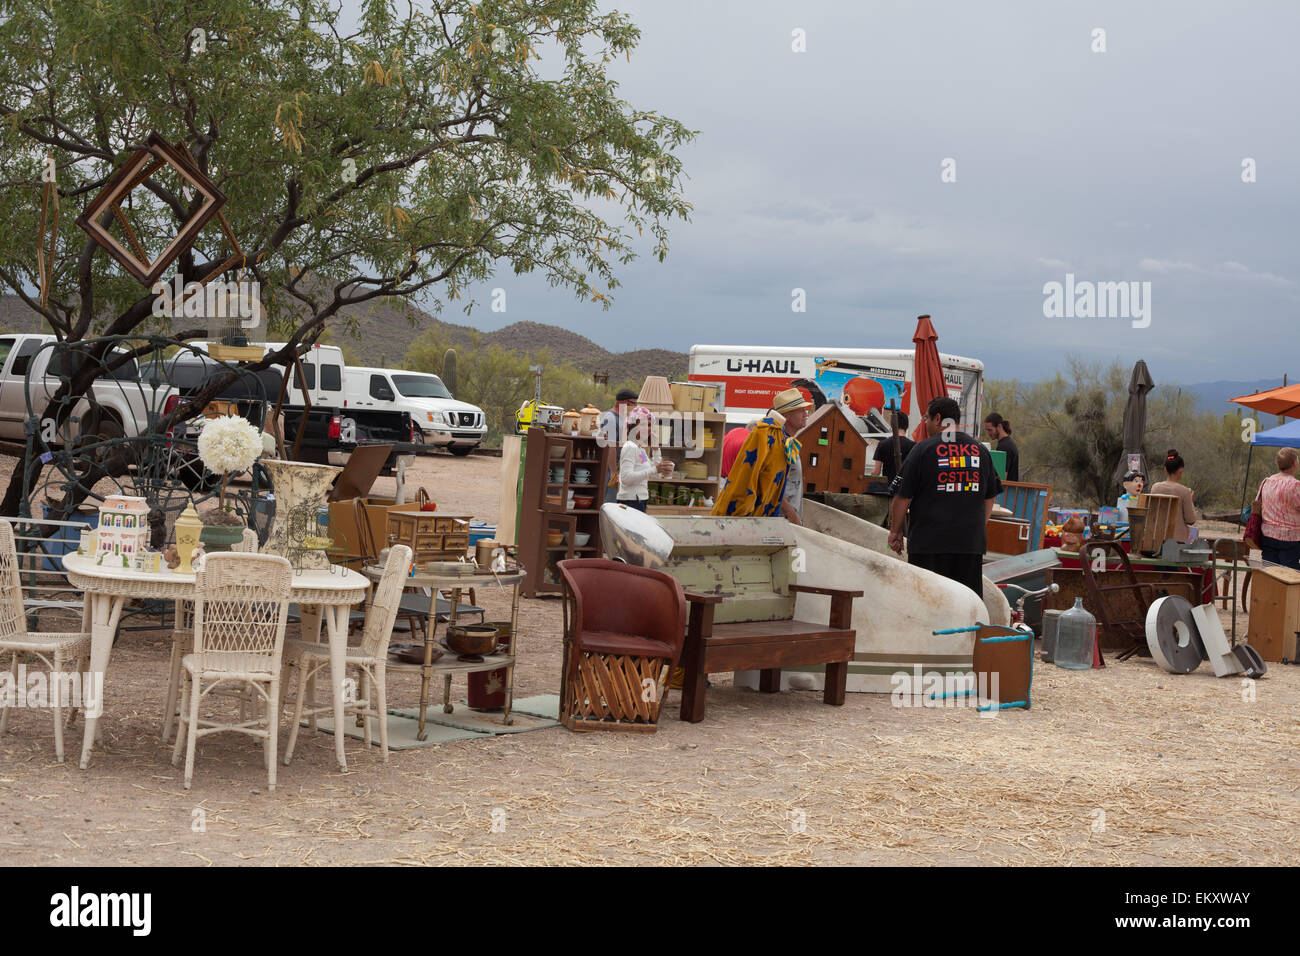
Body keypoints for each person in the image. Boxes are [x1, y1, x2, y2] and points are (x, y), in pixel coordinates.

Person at [889, 397, 998, 596]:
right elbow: (990, 497)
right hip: (969, 546)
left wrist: (895, 532)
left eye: (926, 418)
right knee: (966, 604)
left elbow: (902, 497)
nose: (926, 423)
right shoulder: (981, 451)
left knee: (926, 603)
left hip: (928, 545)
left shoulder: (922, 449)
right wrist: (977, 528)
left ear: (938, 419)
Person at [711, 387, 810, 523]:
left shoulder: (786, 442)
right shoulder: (767, 437)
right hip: (761, 520)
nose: (806, 413)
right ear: (787, 415)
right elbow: (751, 480)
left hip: (774, 519)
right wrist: (789, 512)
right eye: (801, 410)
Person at [617, 406, 673, 512]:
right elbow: (625, 479)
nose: (647, 428)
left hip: (638, 500)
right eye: (642, 424)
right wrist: (655, 469)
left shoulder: (639, 448)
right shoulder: (630, 447)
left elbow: (655, 473)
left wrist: (656, 449)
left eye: (649, 425)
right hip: (631, 502)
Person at [1255, 447, 1300, 569]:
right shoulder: (1295, 485)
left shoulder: (1266, 482)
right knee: (1289, 577)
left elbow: (1257, 504)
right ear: (1294, 463)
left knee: (1271, 576)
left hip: (1268, 536)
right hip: (1290, 538)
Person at [1149, 449, 1198, 542]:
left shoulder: (1155, 487)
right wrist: (1191, 501)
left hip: (1155, 540)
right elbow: (1191, 520)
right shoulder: (1184, 491)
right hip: (1177, 542)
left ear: (1165, 470)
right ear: (1180, 471)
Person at [600, 388, 639, 503]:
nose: (633, 406)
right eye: (630, 403)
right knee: (609, 501)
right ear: (621, 402)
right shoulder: (611, 418)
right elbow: (610, 447)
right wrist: (613, 471)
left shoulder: (623, 418)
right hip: (610, 466)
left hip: (620, 466)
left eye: (634, 403)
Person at [872, 410, 915, 484]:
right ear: (907, 426)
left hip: (887, 489)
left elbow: (876, 472)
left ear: (892, 425)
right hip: (905, 490)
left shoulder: (882, 444)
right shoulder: (913, 446)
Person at [983, 412, 1019, 482]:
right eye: (986, 430)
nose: (988, 433)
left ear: (999, 426)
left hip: (1007, 491)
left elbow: (1001, 477)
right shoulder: (1008, 443)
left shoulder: (1004, 447)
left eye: (990, 430)